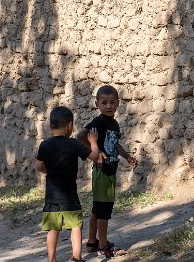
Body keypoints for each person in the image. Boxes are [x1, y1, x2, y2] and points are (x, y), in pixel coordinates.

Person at [76, 85, 138, 258]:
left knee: (98, 209)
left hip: (110, 170)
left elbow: (114, 144)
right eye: (104, 103)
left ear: (118, 103)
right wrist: (96, 153)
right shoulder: (99, 122)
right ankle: (103, 246)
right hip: (102, 171)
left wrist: (126, 156)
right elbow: (81, 136)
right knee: (103, 211)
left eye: (112, 102)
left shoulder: (114, 124)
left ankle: (91, 242)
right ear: (97, 104)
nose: (108, 106)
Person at [36, 106, 100, 262]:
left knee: (53, 229)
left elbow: (39, 166)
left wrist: (50, 172)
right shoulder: (73, 144)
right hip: (69, 196)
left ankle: (51, 259)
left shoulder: (44, 145)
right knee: (75, 226)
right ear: (70, 126)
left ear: (51, 126)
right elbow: (94, 156)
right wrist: (93, 142)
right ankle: (76, 257)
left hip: (51, 196)